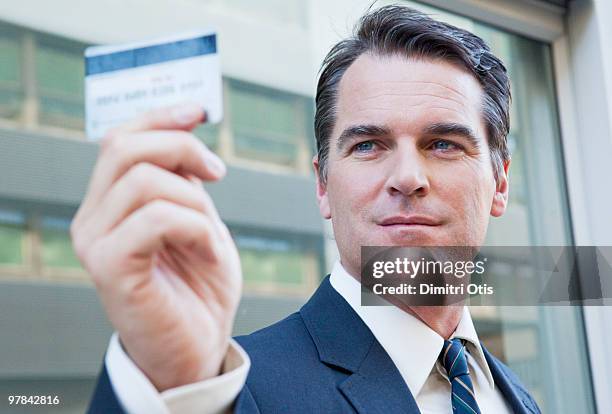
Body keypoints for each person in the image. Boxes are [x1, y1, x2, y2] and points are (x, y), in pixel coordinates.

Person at [74, 5, 542, 414]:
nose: (407, 177)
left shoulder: (512, 394)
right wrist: (173, 380)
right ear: (322, 184)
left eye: (442, 144)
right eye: (368, 145)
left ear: (500, 182)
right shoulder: (226, 391)